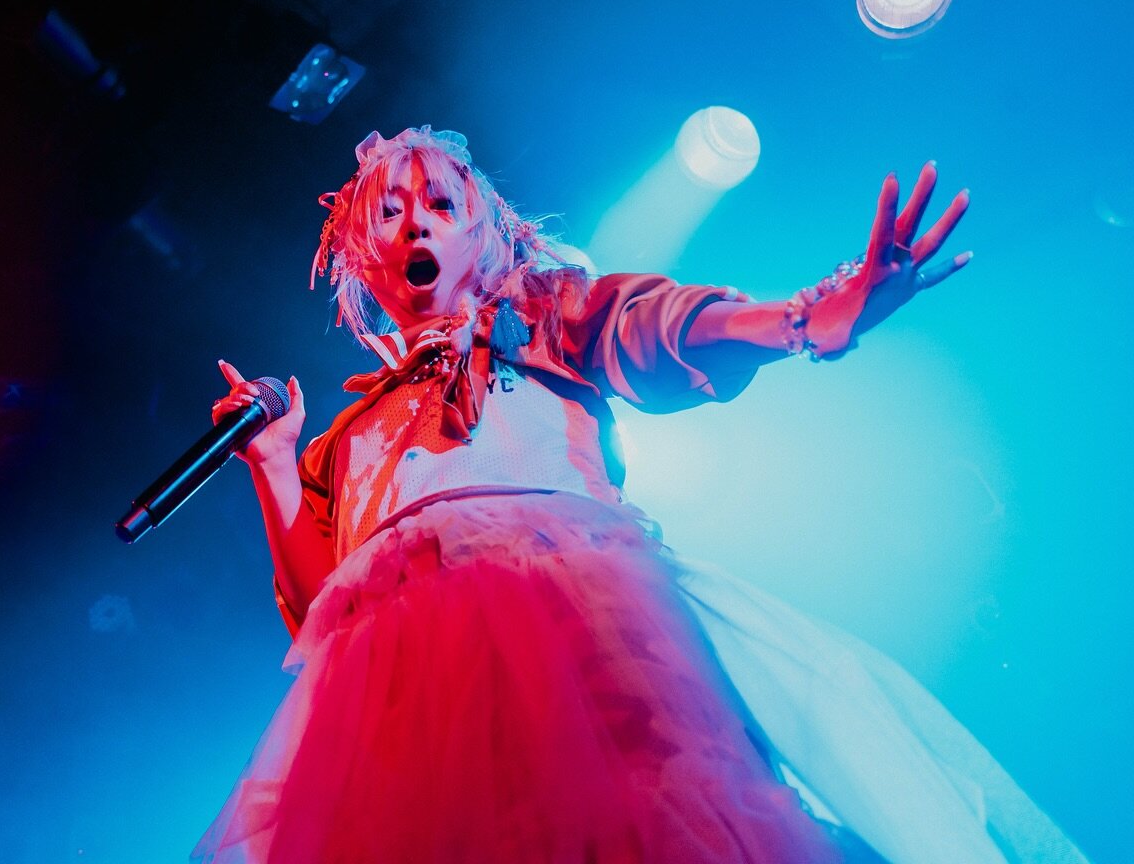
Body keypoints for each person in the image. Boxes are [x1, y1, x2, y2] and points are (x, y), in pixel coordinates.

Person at [191, 126, 1085, 864]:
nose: (414, 223)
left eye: (440, 205)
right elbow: (320, 612)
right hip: (402, 687)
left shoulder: (541, 319)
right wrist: (273, 463)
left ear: (483, 234)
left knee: (634, 814)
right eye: (389, 213)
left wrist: (796, 320)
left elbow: (653, 327)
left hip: (571, 611)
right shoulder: (346, 437)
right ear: (361, 254)